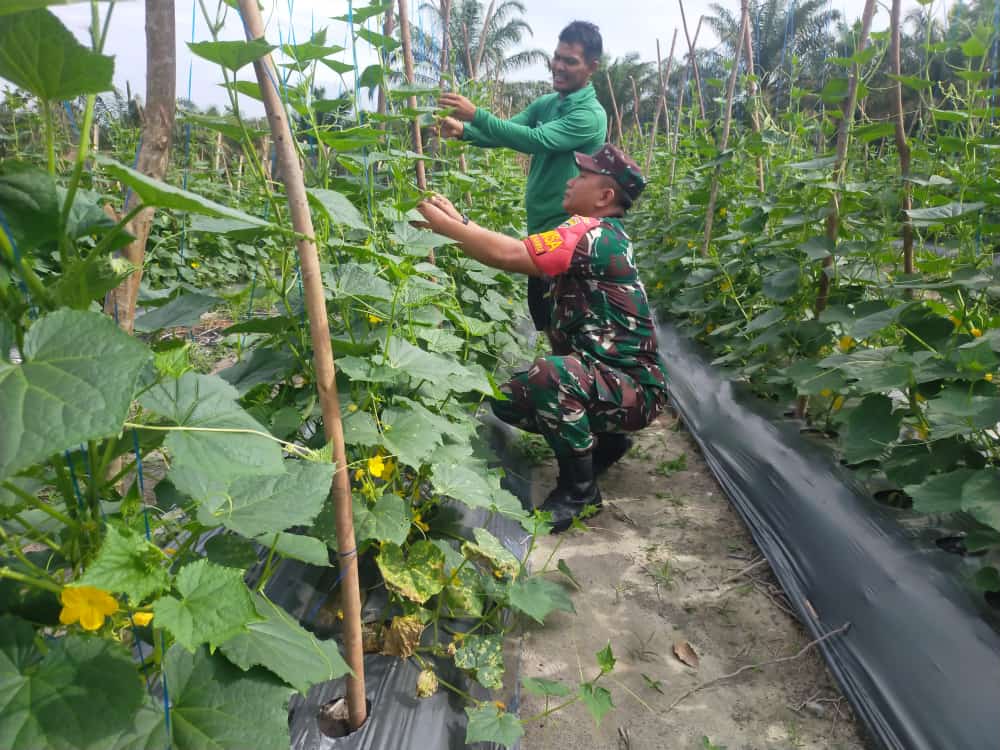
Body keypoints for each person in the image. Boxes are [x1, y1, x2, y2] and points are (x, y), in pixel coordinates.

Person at [414, 144, 669, 533]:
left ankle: (580, 491)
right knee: (510, 400)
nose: (571, 181)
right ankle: (605, 440)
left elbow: (511, 254)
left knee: (550, 376)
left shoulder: (591, 234)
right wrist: (459, 222)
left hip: (636, 390)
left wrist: (445, 227)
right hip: (613, 382)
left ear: (604, 196)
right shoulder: (592, 233)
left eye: (582, 176)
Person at [437, 20, 607, 334]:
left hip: (567, 235)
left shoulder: (589, 115)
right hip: (540, 230)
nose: (558, 66)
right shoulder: (547, 104)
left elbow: (535, 140)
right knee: (546, 320)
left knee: (571, 326)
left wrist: (477, 115)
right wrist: (464, 131)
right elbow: (510, 133)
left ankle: (573, 379)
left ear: (592, 67)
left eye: (570, 61)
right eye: (557, 57)